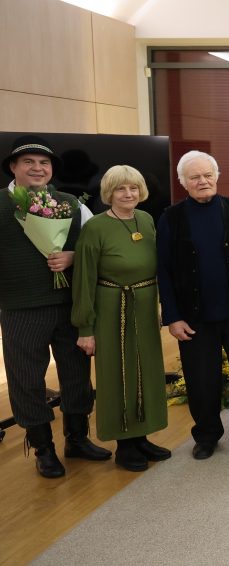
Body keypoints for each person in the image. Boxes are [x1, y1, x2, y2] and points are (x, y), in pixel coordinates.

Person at [0, 135, 109, 478]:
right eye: (28, 162)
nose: (37, 168)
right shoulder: (0, 204)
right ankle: (43, 448)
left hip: (69, 306)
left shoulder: (72, 204)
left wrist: (74, 256)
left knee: (77, 374)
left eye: (44, 163)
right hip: (21, 308)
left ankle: (77, 439)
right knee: (26, 380)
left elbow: (96, 248)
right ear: (13, 167)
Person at [156, 151, 229, 463]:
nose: (202, 181)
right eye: (195, 177)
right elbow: (164, 270)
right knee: (202, 383)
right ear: (183, 182)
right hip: (194, 318)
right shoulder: (171, 217)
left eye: (207, 175)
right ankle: (206, 436)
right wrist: (172, 317)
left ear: (216, 176)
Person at [72, 165, 170, 472]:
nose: (128, 194)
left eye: (133, 188)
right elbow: (84, 279)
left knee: (147, 371)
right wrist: (85, 327)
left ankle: (141, 436)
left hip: (144, 305)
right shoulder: (96, 227)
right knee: (117, 373)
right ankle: (124, 444)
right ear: (108, 193)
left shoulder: (146, 219)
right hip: (112, 307)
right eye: (120, 189)